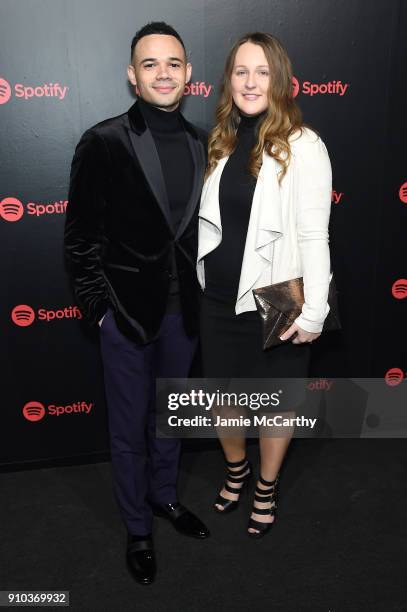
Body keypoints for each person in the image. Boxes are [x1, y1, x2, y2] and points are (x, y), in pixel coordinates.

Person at [64, 21, 209, 585]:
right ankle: (137, 528)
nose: (163, 73)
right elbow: (79, 240)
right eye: (150, 64)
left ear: (189, 73)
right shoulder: (103, 142)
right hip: (125, 315)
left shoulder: (202, 143)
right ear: (133, 76)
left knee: (170, 417)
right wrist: (100, 309)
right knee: (128, 429)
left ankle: (164, 498)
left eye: (173, 62)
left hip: (185, 315)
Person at [197, 32, 332, 538]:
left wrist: (314, 310)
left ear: (280, 80)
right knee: (222, 397)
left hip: (277, 298)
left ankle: (267, 485)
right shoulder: (222, 141)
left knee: (278, 401)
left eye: (262, 72)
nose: (250, 81)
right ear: (228, 80)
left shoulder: (304, 145)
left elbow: (315, 234)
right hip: (217, 295)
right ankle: (236, 471)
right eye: (240, 71)